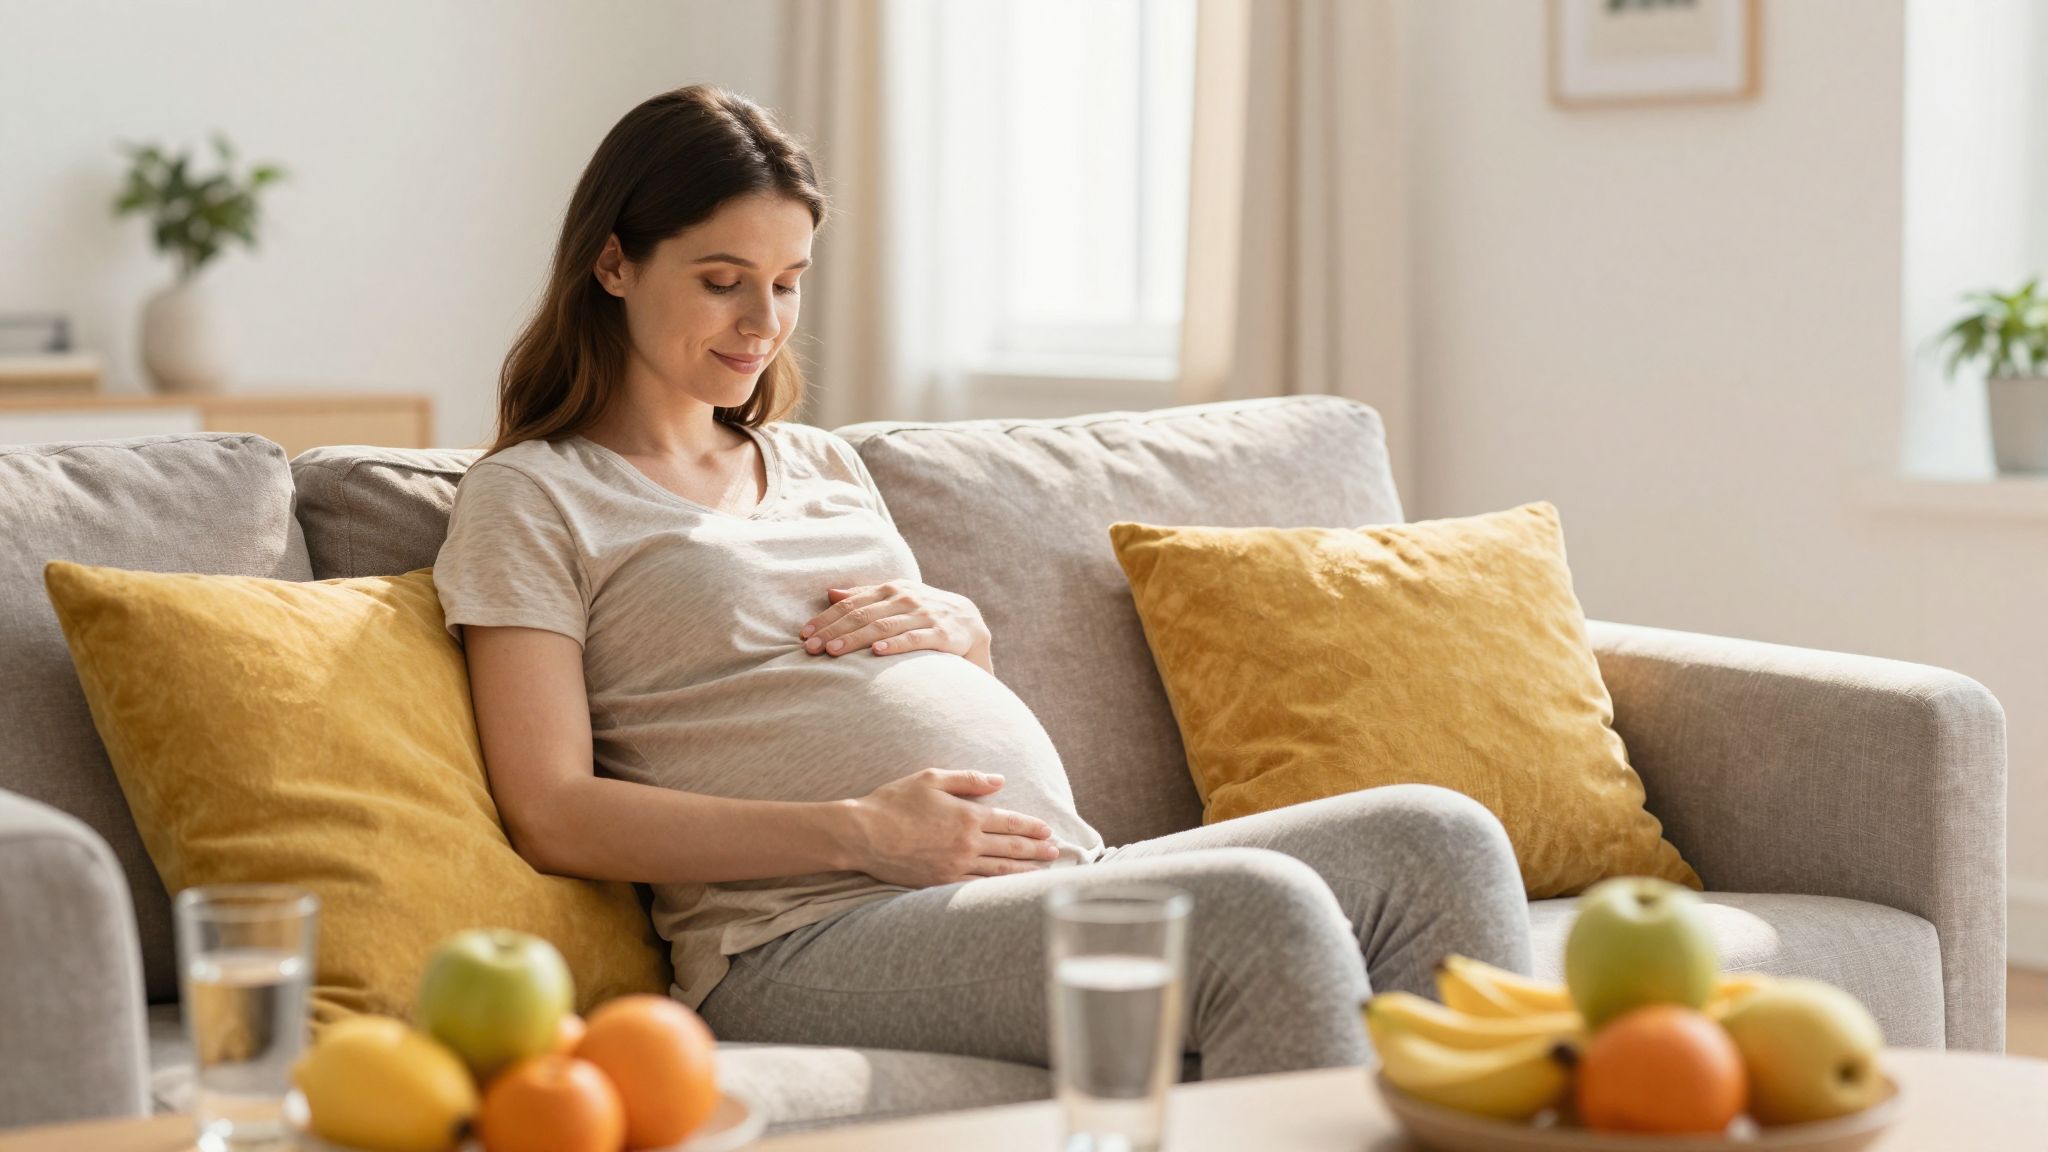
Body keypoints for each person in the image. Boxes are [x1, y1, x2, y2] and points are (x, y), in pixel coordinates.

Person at [434, 84, 1532, 1079]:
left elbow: (912, 692)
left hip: (1044, 871)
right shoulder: (533, 497)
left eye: (785, 283)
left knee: (1439, 837)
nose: (762, 324)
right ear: (614, 263)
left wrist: (966, 638)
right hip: (809, 933)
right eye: (721, 283)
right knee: (1250, 914)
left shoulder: (820, 462)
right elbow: (553, 813)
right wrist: (858, 830)